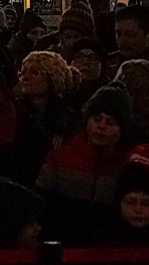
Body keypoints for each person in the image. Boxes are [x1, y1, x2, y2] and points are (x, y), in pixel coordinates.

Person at [37, 84, 132, 241]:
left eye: (110, 122)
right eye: (96, 119)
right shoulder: (59, 159)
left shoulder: (126, 168)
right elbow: (43, 209)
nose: (101, 126)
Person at [14, 50, 78, 185]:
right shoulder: (14, 112)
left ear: (54, 78)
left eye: (35, 73)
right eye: (22, 73)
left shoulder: (68, 117)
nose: (25, 78)